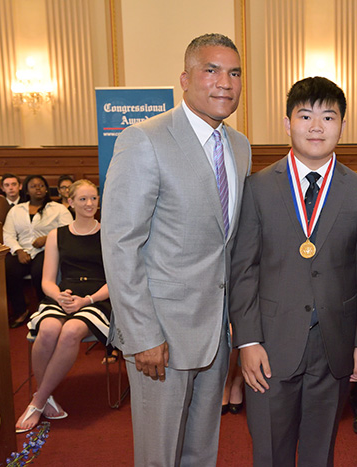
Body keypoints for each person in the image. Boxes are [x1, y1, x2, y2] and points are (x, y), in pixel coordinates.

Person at [101, 33, 251, 467]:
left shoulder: (238, 147)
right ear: (184, 79)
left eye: (235, 72)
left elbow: (226, 242)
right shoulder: (144, 139)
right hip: (160, 336)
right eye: (212, 70)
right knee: (158, 456)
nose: (225, 82)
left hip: (215, 334)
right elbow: (120, 243)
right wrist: (143, 334)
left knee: (201, 451)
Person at [230, 76, 357, 466]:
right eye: (305, 115)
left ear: (342, 126)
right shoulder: (258, 187)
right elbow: (244, 269)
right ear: (287, 122)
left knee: (320, 453)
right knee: (271, 452)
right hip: (269, 346)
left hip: (334, 346)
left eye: (328, 117)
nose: (316, 127)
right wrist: (247, 341)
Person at [15, 179, 111, 432]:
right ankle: (47, 399)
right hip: (63, 295)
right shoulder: (58, 234)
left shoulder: (110, 233)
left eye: (93, 198)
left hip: (98, 298)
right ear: (70, 202)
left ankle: (37, 401)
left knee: (70, 331)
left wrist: (87, 300)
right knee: (47, 329)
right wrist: (59, 297)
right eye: (83, 199)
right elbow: (47, 280)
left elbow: (117, 281)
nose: (89, 203)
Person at [3, 175, 73, 328]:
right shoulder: (16, 210)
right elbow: (8, 234)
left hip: (47, 250)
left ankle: (46, 310)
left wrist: (47, 238)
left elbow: (67, 230)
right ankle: (20, 311)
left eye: (41, 185)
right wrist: (19, 250)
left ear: (47, 188)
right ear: (26, 190)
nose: (38, 188)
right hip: (22, 251)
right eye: (33, 186)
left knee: (39, 272)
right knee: (9, 270)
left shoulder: (57, 208)